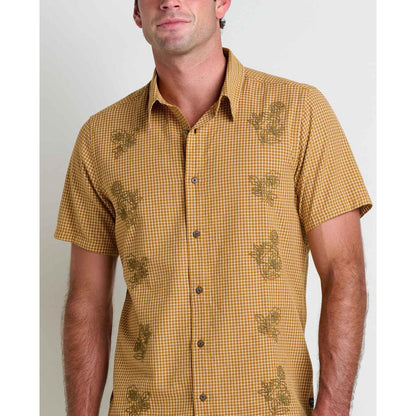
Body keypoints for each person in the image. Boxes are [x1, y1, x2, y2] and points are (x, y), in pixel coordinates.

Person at [53, 0, 373, 415]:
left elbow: (343, 272)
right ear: (137, 13)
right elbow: (87, 300)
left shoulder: (299, 114)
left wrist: (333, 407)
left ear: (221, 2)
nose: (169, 0)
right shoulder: (100, 139)